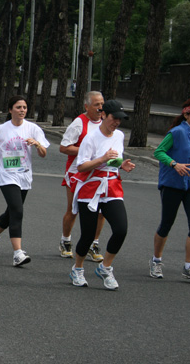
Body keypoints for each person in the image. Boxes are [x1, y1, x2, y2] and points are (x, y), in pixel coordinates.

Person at [69, 100, 135, 290]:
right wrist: (102, 159)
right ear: (104, 115)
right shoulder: (90, 138)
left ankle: (105, 267)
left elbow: (114, 160)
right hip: (90, 186)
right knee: (88, 234)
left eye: (120, 119)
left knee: (121, 229)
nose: (117, 122)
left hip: (111, 186)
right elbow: (81, 166)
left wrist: (121, 164)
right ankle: (78, 268)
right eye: (114, 118)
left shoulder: (119, 135)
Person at [0, 95, 49, 266]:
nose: (22, 110)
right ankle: (18, 253)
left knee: (12, 211)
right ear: (10, 110)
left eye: (24, 108)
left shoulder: (33, 128)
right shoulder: (2, 129)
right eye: (18, 107)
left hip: (24, 175)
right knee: (17, 210)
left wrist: (37, 144)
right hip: (7, 175)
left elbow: (43, 153)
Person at [150, 97, 190, 282]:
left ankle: (188, 266)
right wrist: (174, 164)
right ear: (186, 115)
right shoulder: (177, 132)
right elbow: (158, 151)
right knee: (167, 223)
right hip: (172, 184)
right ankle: (156, 260)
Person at [59, 91, 105, 261]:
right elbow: (64, 147)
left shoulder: (106, 123)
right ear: (87, 106)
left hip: (98, 173)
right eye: (96, 105)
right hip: (77, 171)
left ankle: (94, 243)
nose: (100, 108)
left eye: (102, 104)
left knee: (100, 211)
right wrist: (88, 151)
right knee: (73, 209)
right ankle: (65, 240)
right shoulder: (79, 123)